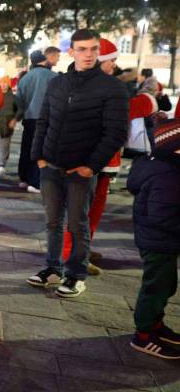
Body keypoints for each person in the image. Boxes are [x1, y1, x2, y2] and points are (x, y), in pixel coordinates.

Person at [27, 29, 129, 298]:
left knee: (77, 224)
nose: (88, 54)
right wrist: (38, 156)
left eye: (93, 49)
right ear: (70, 52)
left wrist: (90, 166)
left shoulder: (112, 87)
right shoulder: (57, 83)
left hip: (80, 170)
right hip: (50, 166)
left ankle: (76, 275)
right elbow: (44, 121)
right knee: (52, 223)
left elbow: (115, 133)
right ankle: (52, 267)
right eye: (82, 49)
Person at [60, 38, 122, 276]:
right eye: (111, 61)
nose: (114, 66)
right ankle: (72, 254)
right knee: (82, 211)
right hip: (91, 159)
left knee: (92, 209)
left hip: (102, 159)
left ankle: (82, 249)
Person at [127, 118, 180, 359]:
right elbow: (162, 215)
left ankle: (155, 325)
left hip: (161, 240)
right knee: (156, 287)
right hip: (158, 241)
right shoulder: (167, 175)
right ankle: (143, 335)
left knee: (165, 285)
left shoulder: (166, 169)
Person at [14, 50, 57, 193]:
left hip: (29, 118)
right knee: (40, 151)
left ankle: (24, 178)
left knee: (26, 149)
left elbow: (19, 101)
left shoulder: (25, 78)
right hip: (46, 119)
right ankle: (35, 181)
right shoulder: (53, 77)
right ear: (44, 61)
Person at [0, 76, 17, 177]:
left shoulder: (13, 97)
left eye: (5, 83)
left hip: (6, 127)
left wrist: (15, 119)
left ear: (9, 84)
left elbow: (19, 110)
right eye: (1, 83)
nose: (3, 85)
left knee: (4, 148)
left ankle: (2, 166)